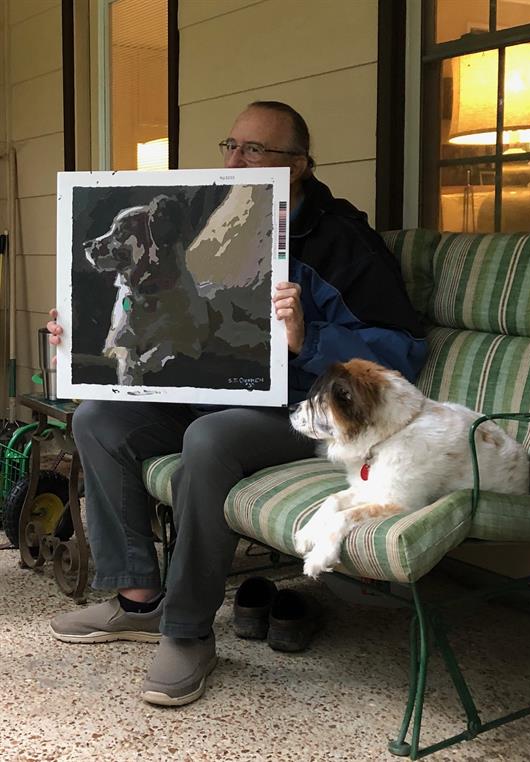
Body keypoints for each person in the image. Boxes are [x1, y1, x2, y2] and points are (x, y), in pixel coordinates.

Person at [48, 101, 427, 707]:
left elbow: (402, 351)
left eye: (254, 150)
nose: (235, 160)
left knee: (209, 439)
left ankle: (187, 630)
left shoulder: (340, 242)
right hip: (207, 391)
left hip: (299, 411)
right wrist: (73, 336)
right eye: (230, 146)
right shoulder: (217, 219)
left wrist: (310, 337)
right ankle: (139, 602)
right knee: (98, 418)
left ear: (297, 164)